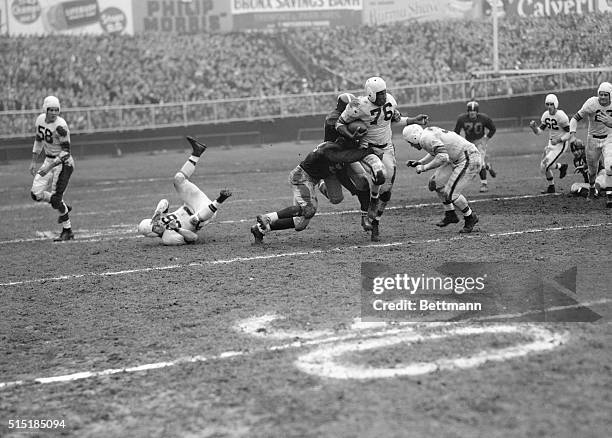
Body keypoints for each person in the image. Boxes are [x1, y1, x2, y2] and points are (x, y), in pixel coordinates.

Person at [335, 76, 429, 241]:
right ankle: (372, 202)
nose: (383, 96)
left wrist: (413, 120)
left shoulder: (390, 101)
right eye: (379, 94)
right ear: (370, 94)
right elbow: (339, 124)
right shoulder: (357, 106)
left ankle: (375, 222)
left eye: (384, 92)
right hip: (367, 149)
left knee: (386, 192)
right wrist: (351, 134)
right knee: (379, 175)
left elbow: (396, 119)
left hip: (386, 148)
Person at [250, 140, 384, 244]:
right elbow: (345, 157)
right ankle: (268, 217)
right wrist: (369, 150)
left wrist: (354, 190)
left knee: (300, 224)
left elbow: (343, 173)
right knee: (309, 209)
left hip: (310, 180)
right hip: (301, 178)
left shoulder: (339, 154)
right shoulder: (329, 149)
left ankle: (259, 229)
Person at [137, 136, 232, 245]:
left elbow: (164, 202)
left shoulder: (160, 219)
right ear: (152, 234)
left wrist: (157, 213)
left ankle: (197, 152)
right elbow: (193, 238)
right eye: (155, 227)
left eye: (154, 223)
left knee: (178, 180)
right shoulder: (168, 238)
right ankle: (220, 199)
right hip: (205, 213)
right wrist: (177, 229)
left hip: (193, 202)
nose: (158, 224)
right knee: (194, 219)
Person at [403, 125, 481, 233]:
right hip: (456, 158)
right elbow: (436, 152)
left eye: (410, 142)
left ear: (413, 137)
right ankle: (450, 214)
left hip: (469, 158)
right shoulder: (426, 135)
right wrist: (420, 162)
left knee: (451, 194)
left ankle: (470, 217)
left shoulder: (425, 138)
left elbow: (443, 157)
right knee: (435, 184)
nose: (411, 145)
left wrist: (424, 168)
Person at [320, 92, 372, 231]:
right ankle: (322, 185)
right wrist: (352, 189)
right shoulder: (333, 121)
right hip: (333, 159)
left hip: (346, 156)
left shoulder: (352, 115)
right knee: (336, 199)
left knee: (363, 182)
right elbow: (340, 170)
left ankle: (365, 217)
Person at [29, 96, 75, 241]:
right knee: (36, 194)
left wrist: (49, 166)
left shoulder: (61, 126)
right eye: (51, 110)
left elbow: (66, 152)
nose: (54, 112)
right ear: (45, 109)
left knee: (56, 200)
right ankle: (61, 203)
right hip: (48, 160)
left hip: (63, 163)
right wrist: (33, 161)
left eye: (56, 110)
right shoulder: (40, 120)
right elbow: (38, 140)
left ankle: (67, 230)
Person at [567, 82, 612, 206]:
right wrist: (572, 135)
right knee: (592, 171)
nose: (602, 97)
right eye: (600, 94)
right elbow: (575, 118)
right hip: (592, 139)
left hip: (609, 137)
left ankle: (610, 196)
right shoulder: (592, 103)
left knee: (609, 165)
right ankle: (592, 189)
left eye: (605, 95)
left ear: (610, 95)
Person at [528, 94, 570, 194]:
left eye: (551, 104)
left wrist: (559, 140)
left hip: (561, 144)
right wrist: (534, 128)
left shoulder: (561, 116)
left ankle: (553, 184)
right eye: (547, 104)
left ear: (555, 104)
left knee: (544, 165)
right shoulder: (546, 115)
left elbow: (570, 133)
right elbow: (539, 132)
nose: (549, 106)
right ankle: (559, 171)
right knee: (544, 166)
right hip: (551, 143)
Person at [454, 101, 496, 192]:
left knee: (479, 163)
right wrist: (459, 141)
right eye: (470, 111)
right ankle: (488, 166)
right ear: (468, 111)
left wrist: (486, 139)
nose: (472, 112)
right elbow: (456, 132)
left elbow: (493, 129)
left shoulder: (484, 118)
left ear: (477, 111)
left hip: (480, 142)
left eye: (474, 111)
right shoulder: (462, 119)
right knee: (468, 162)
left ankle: (484, 184)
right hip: (468, 143)